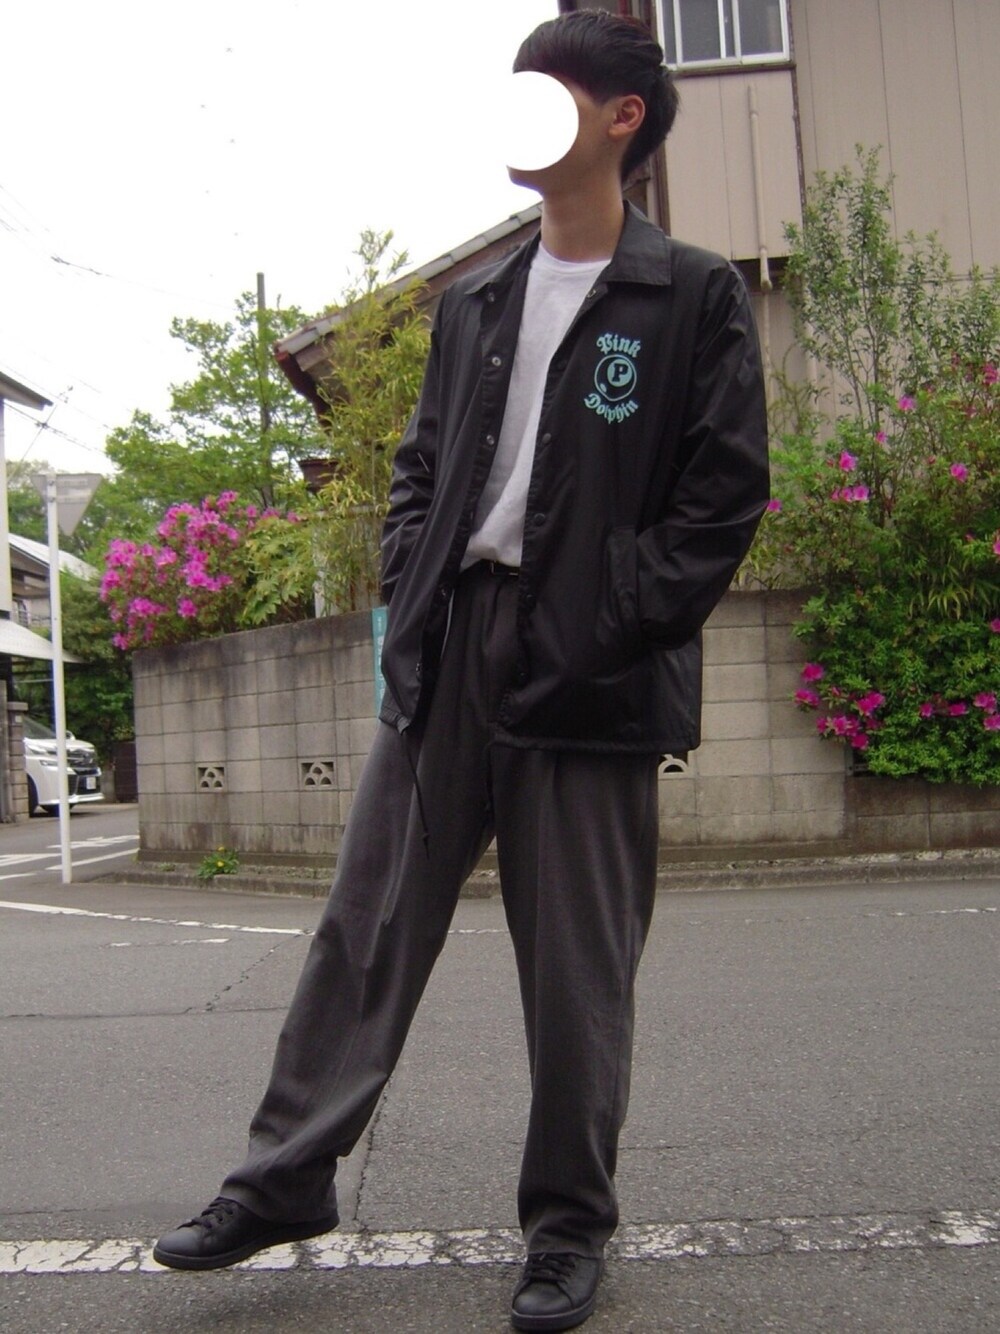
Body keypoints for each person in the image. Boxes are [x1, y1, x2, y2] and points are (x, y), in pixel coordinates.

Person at [153, 10, 769, 1330]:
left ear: (621, 118)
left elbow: (722, 498)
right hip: (450, 651)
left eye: (546, 90)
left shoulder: (692, 295)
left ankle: (567, 1228)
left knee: (578, 971)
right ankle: (281, 1178)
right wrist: (408, 587)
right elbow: (422, 469)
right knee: (364, 925)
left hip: (591, 672)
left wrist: (610, 622)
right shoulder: (476, 301)